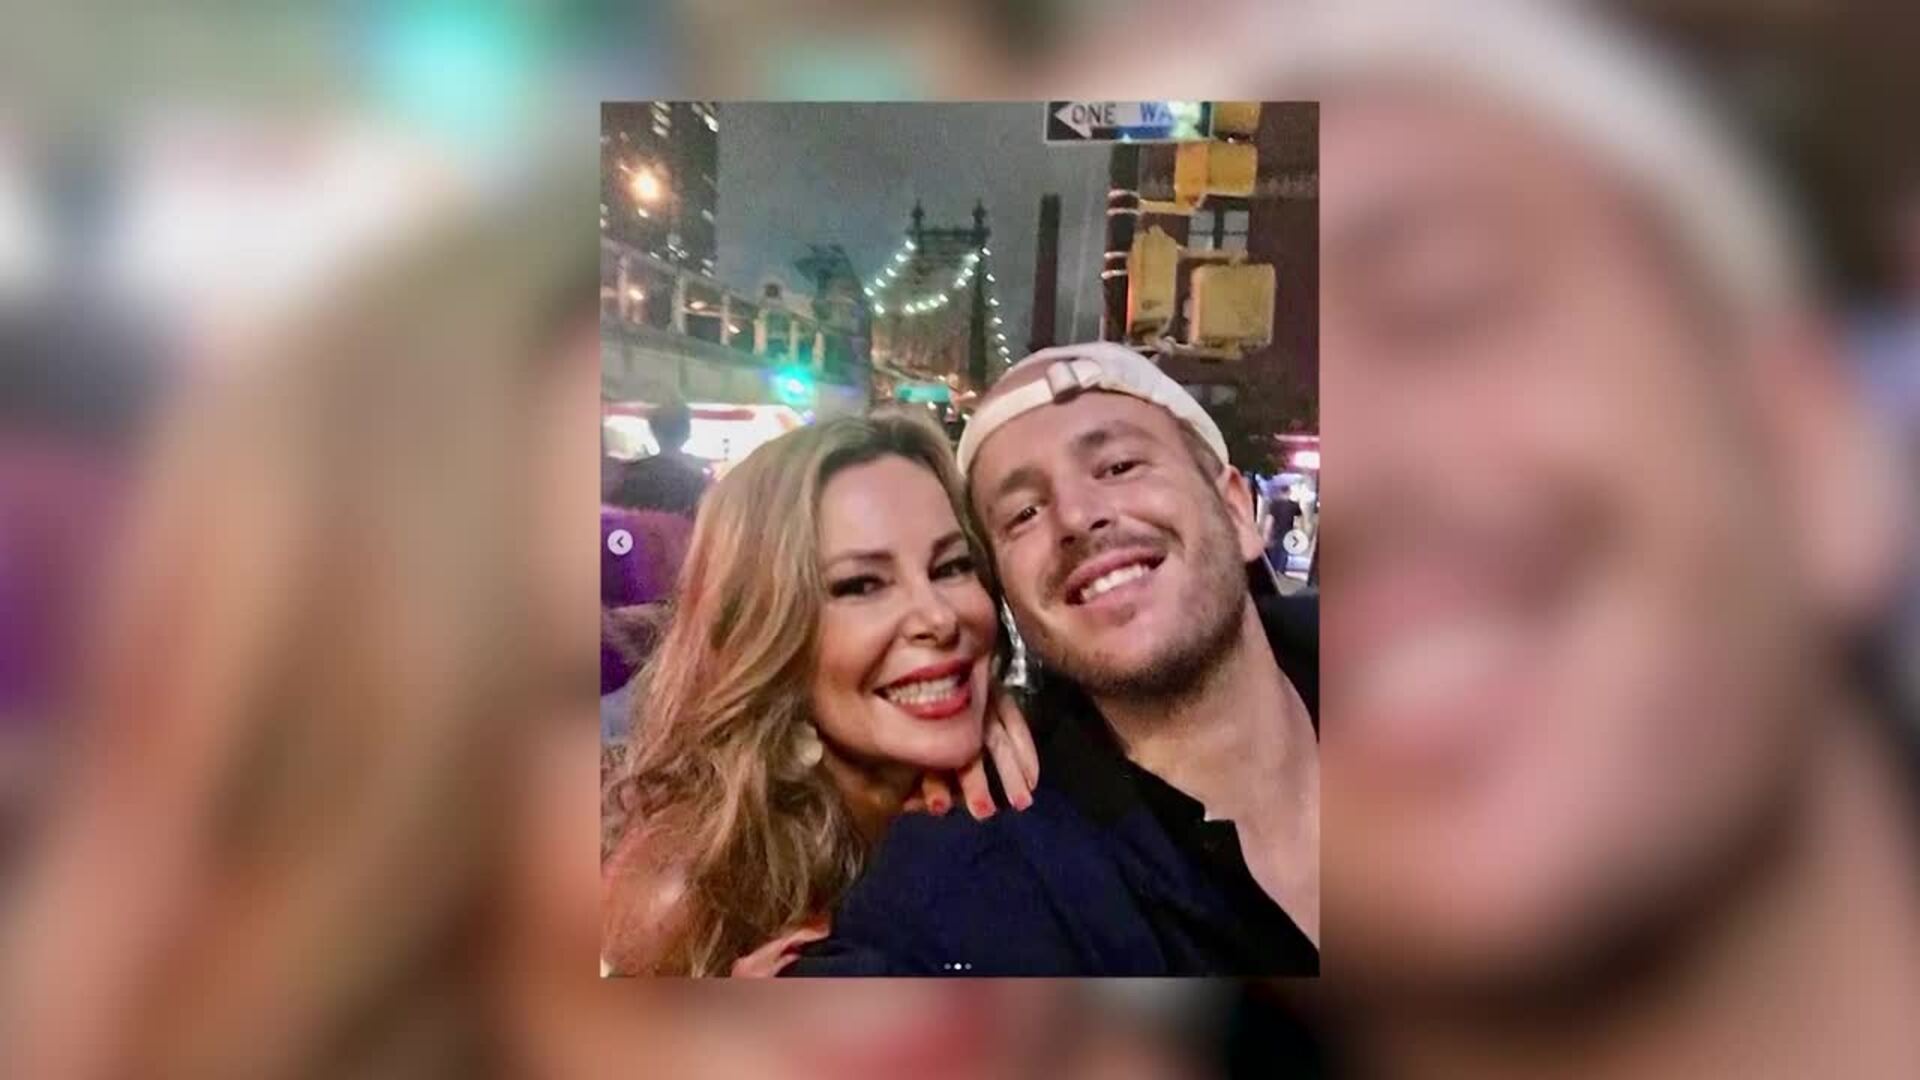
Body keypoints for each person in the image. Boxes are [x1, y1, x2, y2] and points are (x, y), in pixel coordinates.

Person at [793, 342, 1319, 976]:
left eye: (1119, 465)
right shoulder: (968, 886)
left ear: (1236, 510)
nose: (1074, 516)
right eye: (1023, 514)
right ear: (1009, 598)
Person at [600, 411, 1042, 977]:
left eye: (952, 567)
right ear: (769, 633)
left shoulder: (1038, 791)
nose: (938, 617)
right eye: (861, 585)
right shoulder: (691, 889)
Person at [607, 400, 708, 516]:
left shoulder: (632, 474)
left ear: (653, 432)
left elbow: (616, 514)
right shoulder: (698, 481)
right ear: (687, 433)